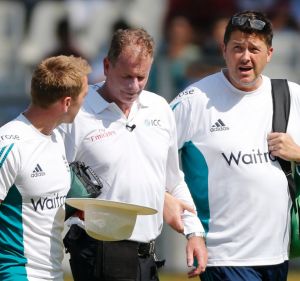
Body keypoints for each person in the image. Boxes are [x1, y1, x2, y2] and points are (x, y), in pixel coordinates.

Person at [59, 28, 207, 281]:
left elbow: (173, 179)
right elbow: (53, 183)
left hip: (146, 253)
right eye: (126, 76)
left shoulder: (159, 108)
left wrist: (194, 233)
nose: (134, 86)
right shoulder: (76, 112)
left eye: (141, 77)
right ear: (107, 66)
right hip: (96, 249)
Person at [170, 10, 300, 281]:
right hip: (223, 258)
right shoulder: (195, 100)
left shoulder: (290, 95)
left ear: (270, 53)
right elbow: (155, 159)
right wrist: (192, 230)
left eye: (254, 49)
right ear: (224, 50)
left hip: (277, 255)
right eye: (238, 48)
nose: (245, 57)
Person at [0, 55, 91, 280]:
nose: (85, 104)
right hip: (16, 273)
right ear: (67, 102)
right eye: (84, 97)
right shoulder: (10, 143)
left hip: (53, 273)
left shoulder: (57, 138)